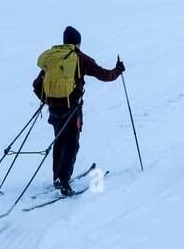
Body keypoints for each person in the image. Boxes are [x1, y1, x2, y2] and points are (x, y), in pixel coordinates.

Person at [32, 26, 125, 195]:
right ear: (78, 42)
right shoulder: (80, 58)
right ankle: (63, 179)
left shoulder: (52, 58)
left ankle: (57, 178)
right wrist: (118, 70)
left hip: (54, 109)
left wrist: (48, 101)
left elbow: (36, 85)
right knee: (72, 142)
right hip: (71, 109)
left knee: (59, 140)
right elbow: (104, 75)